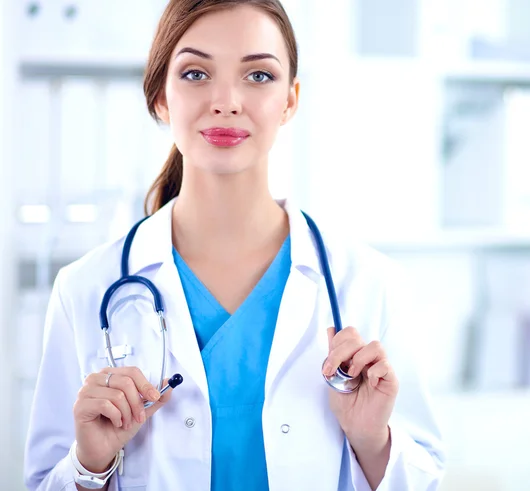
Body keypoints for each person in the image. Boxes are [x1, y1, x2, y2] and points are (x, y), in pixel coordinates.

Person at [23, 1, 445, 490]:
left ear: (290, 100)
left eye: (259, 76)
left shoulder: (370, 284)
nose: (226, 100)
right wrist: (89, 465)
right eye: (196, 73)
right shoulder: (85, 288)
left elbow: (425, 476)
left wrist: (373, 441)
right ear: (161, 97)